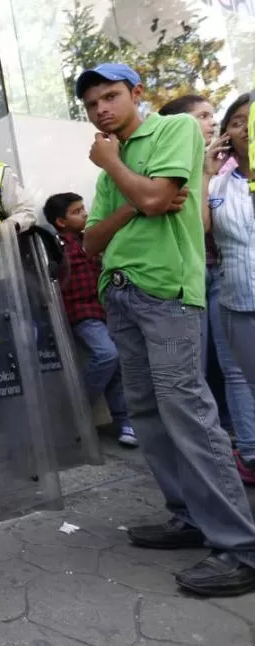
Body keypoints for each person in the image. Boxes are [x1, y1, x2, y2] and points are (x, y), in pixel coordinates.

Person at [78, 62, 255, 596]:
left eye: (110, 97)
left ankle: (240, 547)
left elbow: (159, 200)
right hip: (122, 292)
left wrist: (125, 178)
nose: (101, 110)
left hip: (167, 291)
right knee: (148, 411)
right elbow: (92, 241)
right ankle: (189, 519)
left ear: (137, 94)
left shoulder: (173, 129)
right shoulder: (111, 165)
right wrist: (135, 199)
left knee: (189, 411)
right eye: (91, 105)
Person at [159, 95, 255, 468]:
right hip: (224, 292)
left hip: (220, 282)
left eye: (215, 116)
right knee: (234, 373)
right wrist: (205, 174)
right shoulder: (215, 178)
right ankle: (248, 451)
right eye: (205, 116)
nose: (217, 124)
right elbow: (199, 229)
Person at [45, 192, 136, 448]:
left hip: (107, 307)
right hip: (80, 311)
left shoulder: (92, 238)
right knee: (107, 355)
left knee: (118, 364)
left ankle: (125, 420)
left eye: (84, 209)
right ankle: (74, 410)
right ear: (60, 221)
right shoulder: (57, 245)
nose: (84, 214)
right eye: (76, 211)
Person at [208, 92, 255, 485]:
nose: (248, 129)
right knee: (243, 381)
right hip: (239, 304)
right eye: (239, 122)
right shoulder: (218, 185)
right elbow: (199, 229)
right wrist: (206, 172)